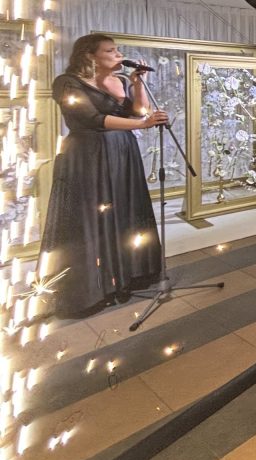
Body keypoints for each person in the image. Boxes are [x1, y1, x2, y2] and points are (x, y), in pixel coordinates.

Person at [41, 34, 166, 318]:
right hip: (89, 155)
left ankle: (128, 276)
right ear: (90, 55)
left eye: (117, 50)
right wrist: (142, 124)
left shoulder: (120, 80)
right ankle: (94, 289)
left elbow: (139, 111)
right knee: (92, 218)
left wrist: (138, 84)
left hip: (122, 152)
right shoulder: (67, 82)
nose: (118, 54)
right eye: (110, 50)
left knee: (124, 212)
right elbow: (92, 119)